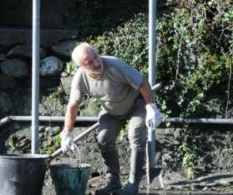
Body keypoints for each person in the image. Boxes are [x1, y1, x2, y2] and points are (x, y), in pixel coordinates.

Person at [60, 43, 162, 195]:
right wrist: (67, 132)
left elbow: (143, 82)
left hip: (136, 104)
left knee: (135, 134)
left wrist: (150, 107)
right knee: (103, 138)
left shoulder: (115, 65)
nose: (96, 62)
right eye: (90, 62)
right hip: (112, 110)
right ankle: (113, 182)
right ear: (82, 66)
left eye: (95, 56)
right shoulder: (80, 79)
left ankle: (132, 185)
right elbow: (73, 105)